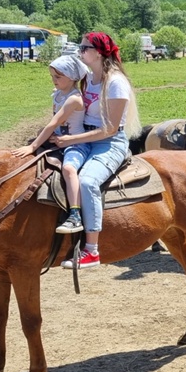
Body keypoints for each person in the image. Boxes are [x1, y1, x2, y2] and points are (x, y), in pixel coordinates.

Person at [51, 32, 141, 269]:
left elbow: (110, 128)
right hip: (84, 136)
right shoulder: (87, 78)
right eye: (80, 49)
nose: (80, 52)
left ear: (99, 52)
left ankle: (92, 250)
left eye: (84, 48)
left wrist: (72, 138)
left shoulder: (116, 83)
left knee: (88, 181)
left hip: (109, 141)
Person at [11, 55, 90, 232]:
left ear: (72, 77)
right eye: (52, 76)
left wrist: (32, 146)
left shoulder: (74, 99)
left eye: (58, 77)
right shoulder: (58, 94)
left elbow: (54, 122)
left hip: (76, 143)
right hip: (59, 140)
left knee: (69, 169)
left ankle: (75, 213)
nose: (54, 80)